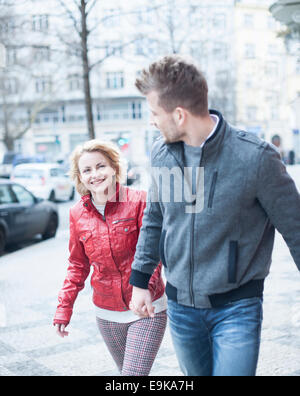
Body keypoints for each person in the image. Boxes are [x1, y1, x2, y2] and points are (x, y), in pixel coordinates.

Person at [129, 55, 300, 376]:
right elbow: (155, 218)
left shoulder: (255, 158)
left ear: (179, 115)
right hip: (180, 309)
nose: (151, 121)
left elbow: (296, 229)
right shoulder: (162, 153)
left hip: (237, 308)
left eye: (154, 113)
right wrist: (140, 281)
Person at [53, 139, 167, 376]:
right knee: (124, 372)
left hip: (147, 307)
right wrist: (64, 309)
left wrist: (143, 288)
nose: (95, 174)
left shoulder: (139, 201)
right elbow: (77, 264)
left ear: (114, 167)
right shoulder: (76, 214)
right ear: (80, 177)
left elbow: (152, 252)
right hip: (106, 312)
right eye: (87, 170)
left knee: (132, 376)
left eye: (100, 166)